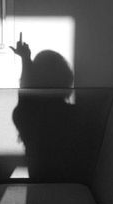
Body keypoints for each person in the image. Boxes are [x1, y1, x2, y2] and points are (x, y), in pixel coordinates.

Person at [10, 33, 74, 181]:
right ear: (64, 76)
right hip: (66, 176)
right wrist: (26, 60)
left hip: (39, 175)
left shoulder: (26, 113)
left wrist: (26, 60)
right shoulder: (70, 115)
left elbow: (27, 94)